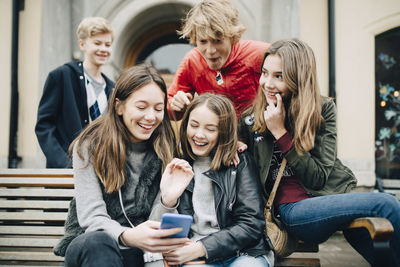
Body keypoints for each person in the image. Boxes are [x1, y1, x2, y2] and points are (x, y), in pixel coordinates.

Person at [239, 38, 400, 266]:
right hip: (291, 212)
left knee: (379, 247)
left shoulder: (323, 110)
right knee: (386, 204)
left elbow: (318, 177)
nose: (267, 83)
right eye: (265, 73)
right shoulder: (249, 119)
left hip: (327, 199)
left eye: (279, 76)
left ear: (298, 78)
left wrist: (281, 133)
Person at [53, 64, 195, 267]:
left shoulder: (166, 148)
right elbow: (92, 218)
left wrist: (167, 201)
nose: (150, 117)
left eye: (158, 108)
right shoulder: (89, 145)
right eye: (141, 107)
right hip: (90, 247)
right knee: (99, 242)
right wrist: (127, 236)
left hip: (137, 253)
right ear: (119, 106)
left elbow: (155, 229)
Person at [152, 93, 273, 267]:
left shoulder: (239, 162)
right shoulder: (178, 163)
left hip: (243, 252)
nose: (199, 135)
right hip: (194, 254)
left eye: (210, 129)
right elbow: (159, 226)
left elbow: (251, 223)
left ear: (223, 132)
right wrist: (168, 201)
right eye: (194, 125)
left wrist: (202, 247)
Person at [168, 0, 270, 120]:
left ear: (232, 37)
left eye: (217, 41)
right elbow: (168, 108)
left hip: (259, 133)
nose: (210, 50)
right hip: (217, 135)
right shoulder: (192, 61)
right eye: (203, 41)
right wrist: (176, 106)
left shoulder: (261, 54)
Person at [35, 17, 115, 168]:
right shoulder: (61, 76)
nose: (103, 49)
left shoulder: (112, 88)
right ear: (82, 44)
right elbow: (44, 126)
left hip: (101, 171)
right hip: (66, 172)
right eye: (97, 43)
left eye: (108, 44)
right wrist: (64, 164)